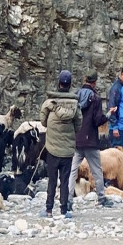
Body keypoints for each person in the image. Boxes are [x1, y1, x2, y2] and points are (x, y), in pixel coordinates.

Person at [68, 69, 117, 211]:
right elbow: (97, 121)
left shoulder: (76, 95)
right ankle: (101, 198)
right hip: (90, 141)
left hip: (77, 139)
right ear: (94, 82)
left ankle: (68, 200)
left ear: (85, 79)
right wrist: (109, 113)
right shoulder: (95, 98)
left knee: (72, 170)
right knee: (97, 170)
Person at [40, 70, 82, 218]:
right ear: (70, 85)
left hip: (52, 149)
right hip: (68, 150)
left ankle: (49, 210)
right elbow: (78, 126)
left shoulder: (49, 103)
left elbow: (43, 122)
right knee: (64, 181)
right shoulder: (75, 105)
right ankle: (64, 210)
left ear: (59, 83)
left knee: (52, 180)